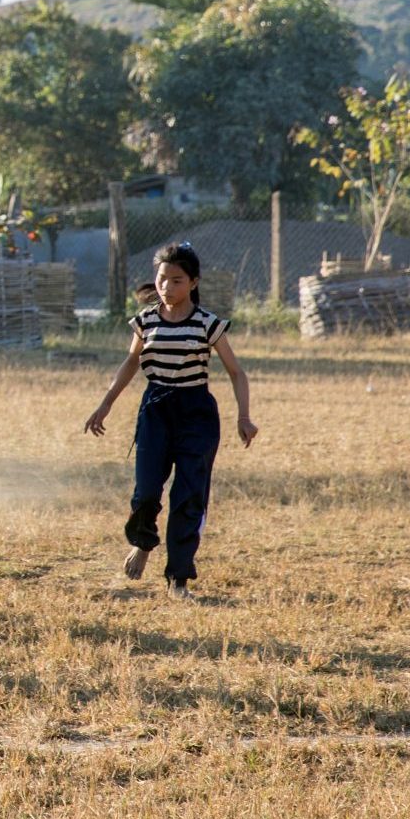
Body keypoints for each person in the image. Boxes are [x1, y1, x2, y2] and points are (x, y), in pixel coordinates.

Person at [84, 243, 258, 598]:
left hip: (196, 413)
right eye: (162, 279)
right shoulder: (146, 320)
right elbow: (131, 363)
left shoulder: (208, 324)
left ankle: (178, 579)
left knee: (189, 495)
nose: (167, 287)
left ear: (193, 282)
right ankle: (144, 542)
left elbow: (237, 373)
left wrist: (244, 416)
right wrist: (105, 405)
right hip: (156, 410)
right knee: (146, 490)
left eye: (176, 280)